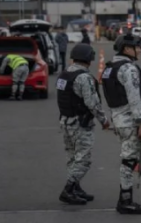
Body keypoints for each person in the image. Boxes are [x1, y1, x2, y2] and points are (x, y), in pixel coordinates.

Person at [101, 33, 141, 214]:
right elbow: (133, 98)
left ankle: (125, 199)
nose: (140, 49)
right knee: (129, 161)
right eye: (137, 46)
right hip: (130, 120)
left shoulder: (109, 68)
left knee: (127, 158)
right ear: (127, 49)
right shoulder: (129, 69)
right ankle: (125, 201)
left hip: (118, 119)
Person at [56, 43, 110, 205]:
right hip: (80, 123)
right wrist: (104, 120)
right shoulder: (83, 78)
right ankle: (68, 189)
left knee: (73, 157)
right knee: (84, 159)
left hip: (66, 121)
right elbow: (92, 103)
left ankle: (76, 188)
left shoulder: (64, 75)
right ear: (89, 58)